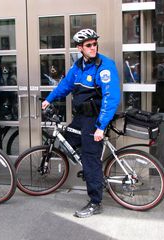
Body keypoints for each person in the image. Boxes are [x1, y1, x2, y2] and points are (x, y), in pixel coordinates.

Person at [42, 29, 120, 218]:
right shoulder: (77, 66)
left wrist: (101, 127)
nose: (93, 48)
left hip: (96, 119)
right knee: (68, 137)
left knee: (90, 159)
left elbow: (111, 98)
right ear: (80, 48)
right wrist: (49, 99)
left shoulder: (105, 66)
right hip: (81, 118)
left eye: (95, 44)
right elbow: (65, 85)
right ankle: (90, 169)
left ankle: (95, 201)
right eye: (88, 45)